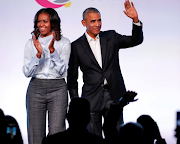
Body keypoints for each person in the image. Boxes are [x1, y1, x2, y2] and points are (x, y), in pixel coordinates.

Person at [67, 0, 143, 137]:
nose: (97, 24)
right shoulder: (76, 46)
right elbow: (72, 78)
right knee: (93, 138)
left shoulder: (111, 37)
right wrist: (75, 101)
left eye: (99, 20)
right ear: (84, 23)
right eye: (93, 21)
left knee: (117, 136)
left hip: (114, 95)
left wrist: (135, 20)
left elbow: (135, 40)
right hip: (91, 98)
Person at [22, 8, 71, 144]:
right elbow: (26, 72)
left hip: (58, 88)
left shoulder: (64, 42)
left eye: (45, 21)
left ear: (53, 23)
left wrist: (52, 51)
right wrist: (38, 55)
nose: (41, 24)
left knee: (57, 134)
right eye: (39, 21)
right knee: (35, 134)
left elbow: (63, 71)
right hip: (36, 87)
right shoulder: (31, 43)